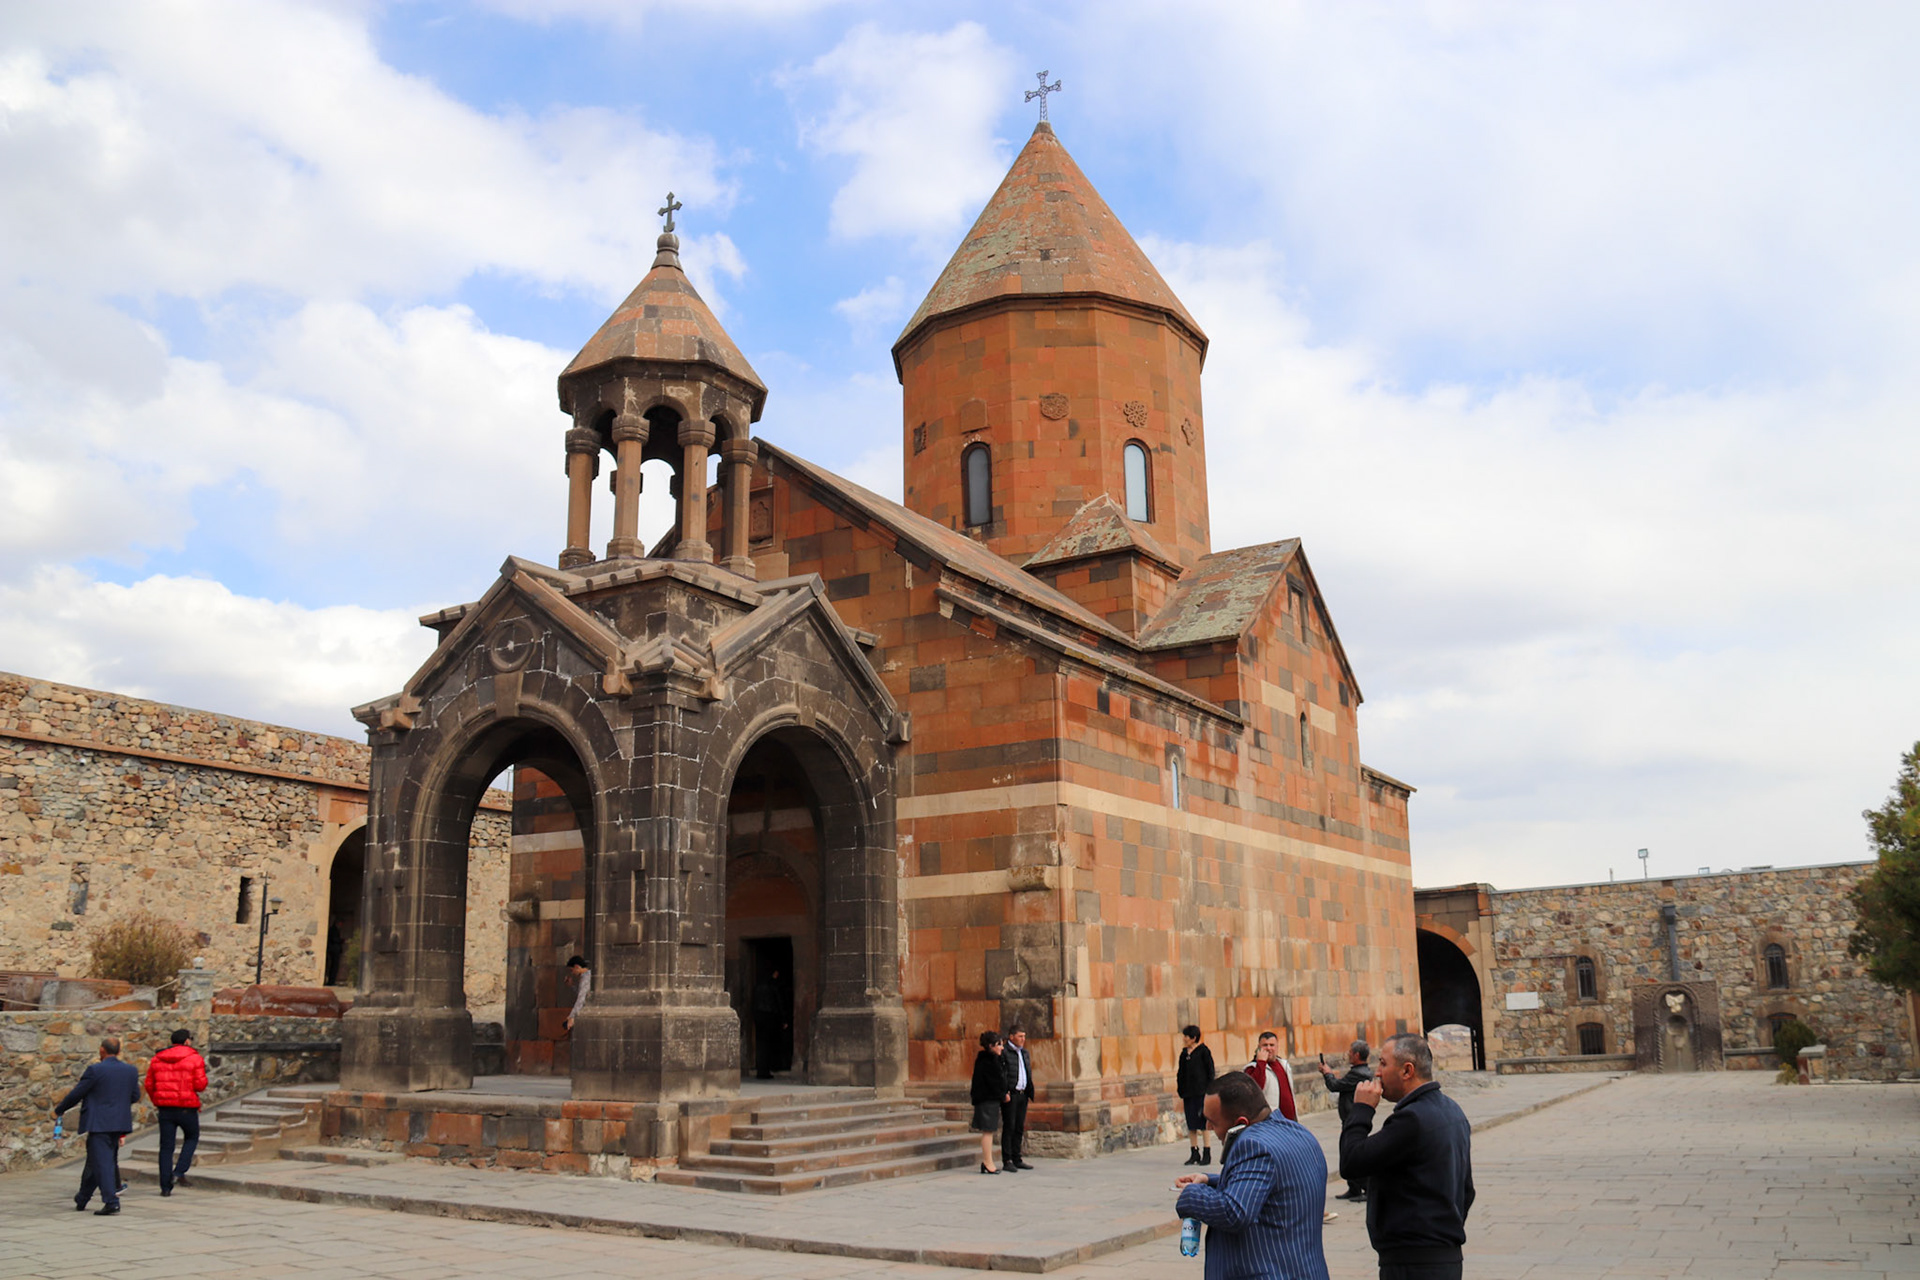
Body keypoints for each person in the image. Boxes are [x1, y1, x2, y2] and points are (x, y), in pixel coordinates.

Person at [1339, 1033, 1475, 1280]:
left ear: (1407, 1070)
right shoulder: (1453, 1111)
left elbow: (1352, 1162)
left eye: (1383, 1063)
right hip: (1445, 1257)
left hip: (1413, 1263)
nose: (1377, 1073)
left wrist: (1361, 1110)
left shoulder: (1411, 1120)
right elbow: (1467, 1191)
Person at [1173, 1070, 1330, 1280]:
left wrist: (1192, 1195)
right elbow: (1275, 1183)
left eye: (1214, 1122)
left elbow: (1235, 1212)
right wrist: (1210, 1181)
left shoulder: (1253, 1144)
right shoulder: (1300, 1133)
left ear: (1240, 1122)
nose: (1209, 1127)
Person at [52, 1036, 142, 1215]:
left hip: (99, 1122)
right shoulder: (130, 1071)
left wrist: (59, 1110)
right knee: (96, 1162)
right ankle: (82, 1197)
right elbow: (135, 1096)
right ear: (118, 1051)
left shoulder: (95, 1070)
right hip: (119, 1122)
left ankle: (111, 1201)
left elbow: (77, 1094)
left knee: (103, 1163)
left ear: (102, 1050)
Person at [143, 1028, 209, 1196]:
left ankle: (165, 1187)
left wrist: (157, 1100)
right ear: (187, 1041)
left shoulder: (157, 1059)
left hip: (165, 1109)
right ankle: (179, 1171)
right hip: (187, 1107)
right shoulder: (194, 1058)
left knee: (166, 1147)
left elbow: (149, 1084)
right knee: (192, 1137)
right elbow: (200, 1085)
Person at [1319, 1039, 1374, 1202]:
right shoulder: (1361, 1071)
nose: (1348, 1055)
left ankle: (1367, 1187)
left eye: (1350, 1052)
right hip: (1351, 1118)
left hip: (1352, 1119)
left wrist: (1327, 1073)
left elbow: (1335, 1085)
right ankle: (1354, 1188)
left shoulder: (1359, 1073)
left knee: (1352, 1154)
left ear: (1357, 1055)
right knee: (1347, 1152)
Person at [1177, 1025, 1216, 1165]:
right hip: (1188, 1093)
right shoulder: (1184, 1054)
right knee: (1191, 1124)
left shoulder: (1203, 1052)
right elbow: (1180, 1073)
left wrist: (1210, 1090)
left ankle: (1207, 1151)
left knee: (1203, 1123)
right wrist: (1180, 1089)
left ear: (1193, 1038)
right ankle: (1194, 1152)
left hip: (1201, 1093)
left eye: (1186, 1036)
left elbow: (1210, 1071)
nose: (1184, 1039)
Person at [969, 1030, 1008, 1174]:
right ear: (991, 1046)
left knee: (990, 1130)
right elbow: (993, 1082)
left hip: (989, 1099)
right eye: (999, 1045)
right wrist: (1002, 1094)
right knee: (988, 1130)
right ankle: (987, 1162)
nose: (1002, 1048)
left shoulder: (992, 1059)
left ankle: (988, 1162)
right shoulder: (987, 1061)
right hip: (987, 1100)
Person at [1000, 1025, 1035, 1171]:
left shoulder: (1024, 1053)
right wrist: (1004, 1091)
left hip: (1022, 1094)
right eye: (1020, 1036)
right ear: (1011, 1037)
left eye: (1024, 1036)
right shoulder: (1005, 1052)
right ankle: (1007, 1159)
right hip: (1011, 1095)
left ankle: (1017, 1157)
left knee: (1019, 1127)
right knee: (1010, 1126)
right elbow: (1002, 1073)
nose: (1023, 1039)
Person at [1246, 1029, 1298, 1121]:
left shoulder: (1284, 1065)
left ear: (1277, 1047)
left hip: (1289, 1122)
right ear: (1259, 1047)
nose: (1269, 1048)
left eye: (1272, 1045)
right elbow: (1255, 1089)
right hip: (1270, 1123)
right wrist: (1261, 1063)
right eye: (1265, 1045)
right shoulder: (1252, 1068)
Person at [751, 966, 786, 1079]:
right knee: (767, 1045)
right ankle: (765, 1070)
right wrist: (784, 1019)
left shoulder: (758, 985)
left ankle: (761, 1069)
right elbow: (778, 1002)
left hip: (759, 1017)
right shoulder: (772, 985)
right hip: (769, 1017)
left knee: (761, 1044)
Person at [563, 954, 590, 1032]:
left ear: (577, 967)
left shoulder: (586, 978)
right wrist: (572, 986)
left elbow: (581, 999)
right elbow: (581, 994)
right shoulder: (584, 977)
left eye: (572, 970)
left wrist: (572, 1016)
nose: (572, 973)